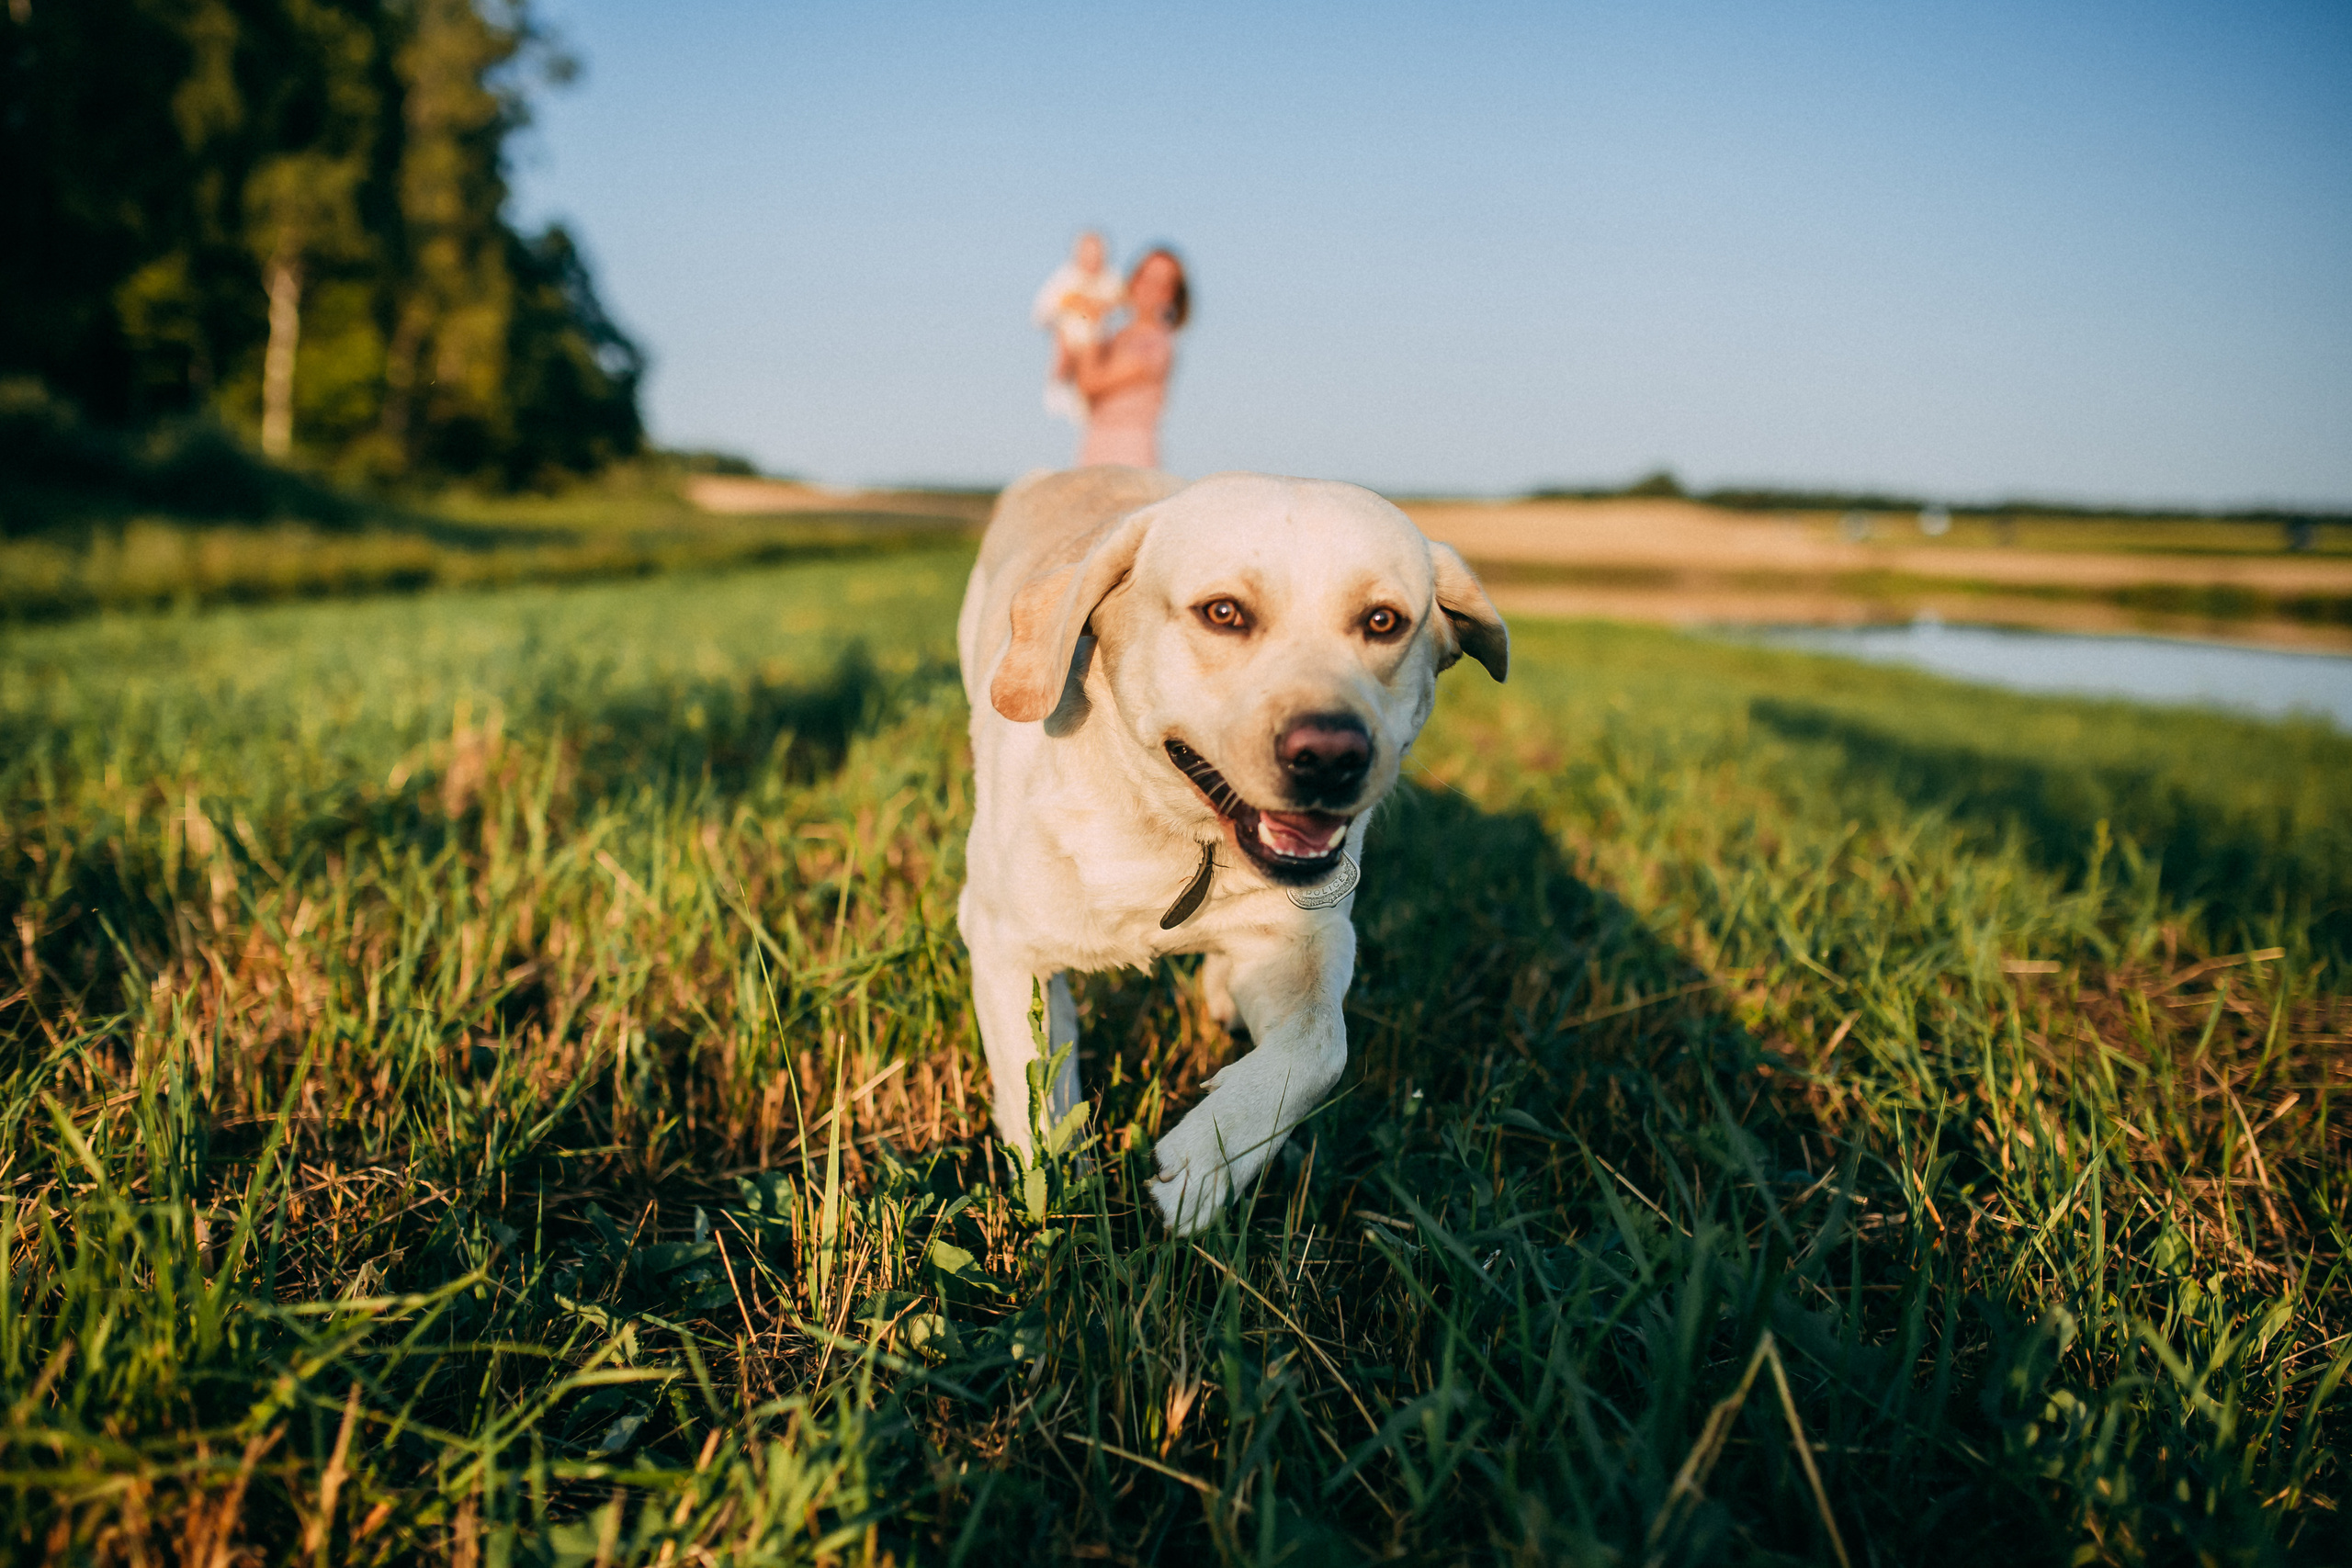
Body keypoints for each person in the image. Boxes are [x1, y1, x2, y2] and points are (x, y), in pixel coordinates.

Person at [1067, 247, 1188, 469]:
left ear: (1171, 294)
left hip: (1130, 456)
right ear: (1134, 280)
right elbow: (1066, 374)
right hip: (1095, 449)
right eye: (1144, 277)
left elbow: (1089, 383)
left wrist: (1091, 322)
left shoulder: (1157, 346)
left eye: (1161, 283)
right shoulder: (1113, 337)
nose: (1149, 288)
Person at [1031, 232, 1124, 425]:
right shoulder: (1065, 278)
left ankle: (1087, 406)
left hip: (1097, 337)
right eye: (1087, 254)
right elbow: (1042, 311)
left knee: (1093, 373)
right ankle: (1059, 390)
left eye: (1097, 255)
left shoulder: (1111, 279)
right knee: (1066, 358)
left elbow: (1121, 306)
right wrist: (1075, 311)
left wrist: (1098, 309)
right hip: (1070, 330)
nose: (1092, 260)